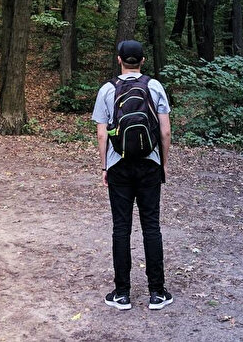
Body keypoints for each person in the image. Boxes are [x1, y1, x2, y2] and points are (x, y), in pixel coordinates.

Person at [92, 39, 173, 311]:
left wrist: (105, 166)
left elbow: (102, 132)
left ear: (119, 60)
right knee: (151, 226)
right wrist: (163, 163)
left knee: (121, 227)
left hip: (119, 165)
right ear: (142, 60)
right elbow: (165, 131)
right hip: (150, 164)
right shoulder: (155, 86)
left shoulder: (107, 89)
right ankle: (157, 293)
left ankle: (122, 293)